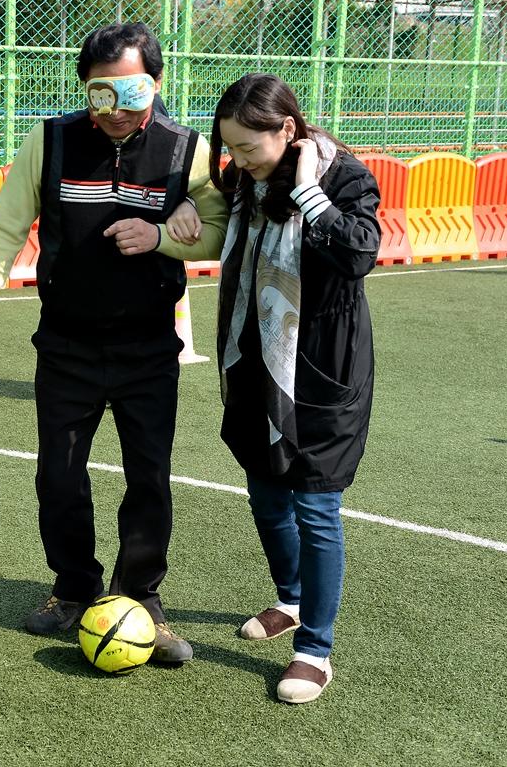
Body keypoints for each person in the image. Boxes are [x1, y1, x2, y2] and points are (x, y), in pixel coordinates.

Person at [0, 23, 229, 664]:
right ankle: (73, 588)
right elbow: (4, 227)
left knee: (149, 479)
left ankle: (141, 599)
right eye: (99, 93)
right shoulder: (49, 140)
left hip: (148, 349)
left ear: (155, 84)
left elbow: (220, 230)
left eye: (129, 91)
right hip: (67, 346)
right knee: (59, 476)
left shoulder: (184, 151)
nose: (113, 109)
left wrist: (170, 232)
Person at [157, 73, 380, 702]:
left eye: (250, 148)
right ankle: (289, 596)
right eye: (232, 150)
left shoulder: (343, 177)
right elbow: (205, 188)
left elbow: (361, 252)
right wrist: (183, 203)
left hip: (323, 367)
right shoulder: (244, 178)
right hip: (255, 359)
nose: (241, 163)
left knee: (315, 506)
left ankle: (315, 648)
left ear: (287, 128)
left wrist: (309, 195)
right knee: (264, 493)